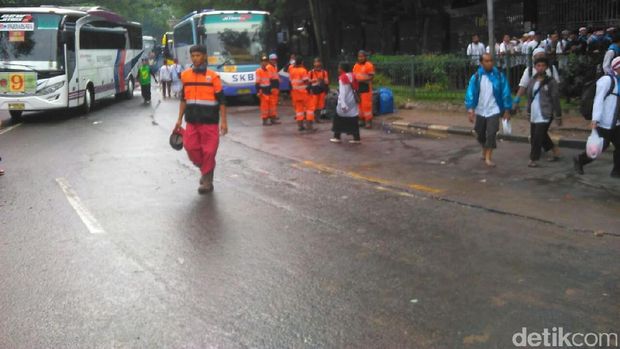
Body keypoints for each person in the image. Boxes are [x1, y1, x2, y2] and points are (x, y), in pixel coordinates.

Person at [175, 45, 228, 194]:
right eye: (193, 56)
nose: (195, 58)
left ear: (204, 56)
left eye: (198, 55)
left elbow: (222, 101)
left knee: (209, 152)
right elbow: (183, 99)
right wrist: (179, 119)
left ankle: (207, 182)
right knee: (190, 148)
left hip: (210, 123)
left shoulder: (214, 77)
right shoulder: (185, 75)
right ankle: (205, 170)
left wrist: (223, 122)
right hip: (192, 122)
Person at [573, 56, 620, 178]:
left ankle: (617, 171)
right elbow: (598, 100)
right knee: (598, 148)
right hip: (604, 122)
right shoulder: (607, 80)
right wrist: (595, 119)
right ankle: (580, 160)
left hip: (616, 122)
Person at [465, 53, 512, 168]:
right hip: (480, 110)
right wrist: (470, 109)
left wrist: (507, 109)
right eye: (486, 61)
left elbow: (506, 93)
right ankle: (484, 148)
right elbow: (470, 93)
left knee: (491, 133)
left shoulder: (499, 76)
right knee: (480, 133)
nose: (489, 63)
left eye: (491, 61)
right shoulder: (476, 77)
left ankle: (488, 157)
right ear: (481, 63)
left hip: (494, 110)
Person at [526, 57, 562, 168]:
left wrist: (558, 115)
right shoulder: (532, 80)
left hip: (546, 112)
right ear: (535, 67)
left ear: (546, 67)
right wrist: (528, 111)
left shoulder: (551, 82)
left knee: (537, 136)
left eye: (543, 65)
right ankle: (555, 150)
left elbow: (555, 98)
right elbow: (529, 97)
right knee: (538, 135)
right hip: (534, 112)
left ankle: (533, 158)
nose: (540, 68)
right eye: (538, 65)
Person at [514, 48, 561, 124]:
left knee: (540, 132)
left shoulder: (552, 69)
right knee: (536, 133)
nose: (540, 58)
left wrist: (557, 112)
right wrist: (516, 100)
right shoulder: (529, 71)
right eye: (538, 56)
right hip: (534, 108)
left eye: (542, 55)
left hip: (547, 107)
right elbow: (523, 87)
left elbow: (556, 88)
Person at [331, 62, 361, 144]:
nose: (338, 70)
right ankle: (356, 137)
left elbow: (342, 92)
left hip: (344, 102)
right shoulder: (353, 76)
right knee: (353, 119)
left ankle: (337, 136)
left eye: (339, 68)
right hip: (352, 101)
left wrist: (343, 104)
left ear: (342, 69)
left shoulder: (342, 78)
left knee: (338, 118)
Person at [288, 56, 315, 132]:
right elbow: (306, 81)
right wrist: (310, 89)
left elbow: (290, 82)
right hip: (304, 93)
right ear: (302, 62)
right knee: (310, 109)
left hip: (295, 93)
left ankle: (300, 126)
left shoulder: (292, 70)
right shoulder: (303, 70)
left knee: (299, 110)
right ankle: (309, 127)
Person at [353, 50, 375, 128]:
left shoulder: (369, 65)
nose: (360, 58)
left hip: (366, 88)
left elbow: (371, 77)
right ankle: (361, 120)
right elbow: (354, 77)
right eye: (359, 56)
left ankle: (368, 122)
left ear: (365, 57)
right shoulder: (356, 66)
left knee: (366, 105)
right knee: (359, 105)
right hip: (358, 87)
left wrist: (361, 80)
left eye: (362, 56)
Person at [255, 55, 279, 126]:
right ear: (260, 63)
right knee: (264, 107)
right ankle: (265, 120)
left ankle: (273, 119)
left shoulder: (268, 70)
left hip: (269, 90)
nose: (264, 63)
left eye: (265, 62)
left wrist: (272, 88)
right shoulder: (259, 71)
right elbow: (257, 83)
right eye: (263, 62)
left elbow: (271, 79)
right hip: (263, 91)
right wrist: (258, 91)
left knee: (272, 106)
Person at [308, 57, 329, 123]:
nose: (317, 63)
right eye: (316, 62)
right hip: (313, 91)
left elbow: (327, 82)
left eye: (318, 62)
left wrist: (322, 81)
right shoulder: (310, 72)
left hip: (321, 91)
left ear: (321, 63)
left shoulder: (324, 72)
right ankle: (310, 119)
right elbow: (308, 81)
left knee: (320, 106)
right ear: (314, 64)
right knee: (313, 106)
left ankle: (317, 118)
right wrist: (315, 80)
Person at [268, 53, 280, 121]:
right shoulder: (269, 67)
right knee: (272, 102)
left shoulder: (274, 66)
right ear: (270, 60)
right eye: (272, 60)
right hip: (272, 85)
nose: (274, 61)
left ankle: (274, 115)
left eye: (275, 60)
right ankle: (272, 116)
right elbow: (269, 78)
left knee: (274, 102)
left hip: (276, 85)